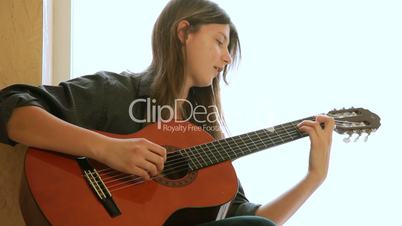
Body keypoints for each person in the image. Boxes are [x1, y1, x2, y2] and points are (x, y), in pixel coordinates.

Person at [0, 0, 335, 225]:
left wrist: (313, 179)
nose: (227, 58)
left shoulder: (203, 135)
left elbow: (248, 220)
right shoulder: (119, 92)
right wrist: (107, 149)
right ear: (183, 32)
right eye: (220, 41)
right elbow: (11, 109)